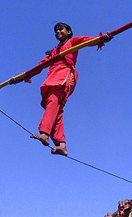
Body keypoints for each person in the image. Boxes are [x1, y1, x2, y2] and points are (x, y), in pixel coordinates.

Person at [28, 22, 112, 156]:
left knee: (53, 102)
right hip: (52, 76)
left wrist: (101, 39)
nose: (57, 32)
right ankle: (61, 145)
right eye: (55, 31)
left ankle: (45, 133)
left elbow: (86, 41)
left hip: (64, 75)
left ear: (69, 31)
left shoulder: (72, 41)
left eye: (60, 29)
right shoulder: (53, 52)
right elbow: (41, 65)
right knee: (56, 109)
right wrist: (25, 76)